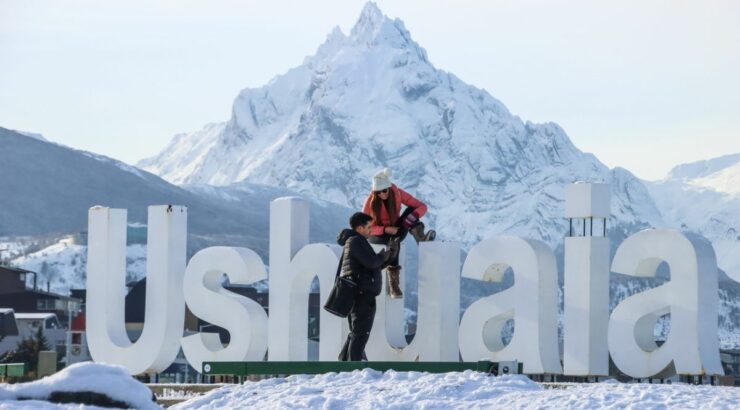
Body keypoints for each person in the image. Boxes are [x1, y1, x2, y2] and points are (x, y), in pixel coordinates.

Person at [362, 168, 435, 298]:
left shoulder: (397, 193)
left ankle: (419, 236)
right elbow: (364, 227)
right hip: (376, 234)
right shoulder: (370, 201)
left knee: (412, 210)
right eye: (377, 192)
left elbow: (422, 206)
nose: (381, 194)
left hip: (396, 230)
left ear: (389, 188)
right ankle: (394, 283)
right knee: (394, 242)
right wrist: (384, 229)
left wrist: (410, 219)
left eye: (384, 191)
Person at [337, 212, 399, 361]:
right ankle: (354, 368)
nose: (372, 230)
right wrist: (384, 254)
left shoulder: (357, 241)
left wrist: (389, 255)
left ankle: (342, 364)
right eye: (369, 227)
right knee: (360, 333)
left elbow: (372, 265)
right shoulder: (355, 242)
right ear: (359, 228)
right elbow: (372, 262)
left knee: (356, 332)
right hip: (362, 294)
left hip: (361, 293)